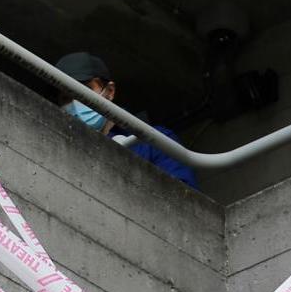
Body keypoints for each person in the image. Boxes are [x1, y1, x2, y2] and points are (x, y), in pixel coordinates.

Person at [55, 51, 199, 189]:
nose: (75, 102)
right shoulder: (57, 141)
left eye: (83, 90)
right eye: (66, 98)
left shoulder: (152, 141)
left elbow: (183, 199)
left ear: (109, 91)